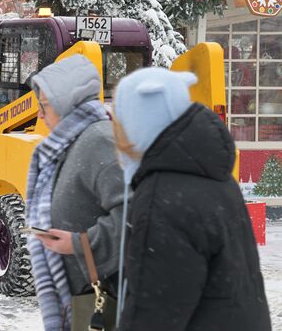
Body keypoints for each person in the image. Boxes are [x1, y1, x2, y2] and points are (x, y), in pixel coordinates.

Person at [112, 67, 271, 331]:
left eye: (120, 120)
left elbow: (152, 314)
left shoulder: (163, 198)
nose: (116, 132)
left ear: (142, 121)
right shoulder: (210, 175)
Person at [25, 54, 125, 331]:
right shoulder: (68, 143)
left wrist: (80, 244)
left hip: (100, 303)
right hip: (78, 301)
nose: (40, 115)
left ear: (66, 102)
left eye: (45, 106)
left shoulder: (100, 141)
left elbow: (134, 215)